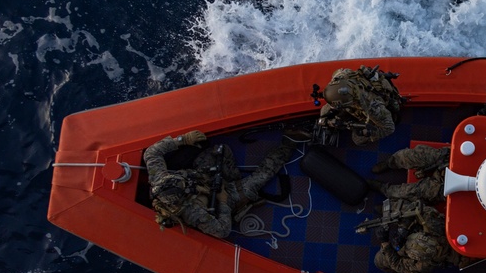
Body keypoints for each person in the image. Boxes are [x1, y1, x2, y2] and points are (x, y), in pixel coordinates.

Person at [144, 129, 294, 238]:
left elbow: (151, 153)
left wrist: (183, 140)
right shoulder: (192, 213)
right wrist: (223, 203)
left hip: (202, 176)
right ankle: (289, 144)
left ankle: (233, 177)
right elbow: (222, 231)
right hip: (222, 197)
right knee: (259, 179)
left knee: (220, 149)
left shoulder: (160, 178)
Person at [369, 197, 470, 273]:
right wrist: (403, 228)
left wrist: (385, 243)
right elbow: (420, 208)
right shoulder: (436, 228)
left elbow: (398, 264)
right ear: (425, 236)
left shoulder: (422, 265)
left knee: (379, 260)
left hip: (442, 254)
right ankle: (386, 209)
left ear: (418, 258)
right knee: (403, 209)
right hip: (442, 237)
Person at [318, 65, 401, 145]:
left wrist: (366, 132)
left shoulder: (372, 107)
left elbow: (389, 128)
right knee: (325, 111)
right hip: (355, 100)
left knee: (357, 139)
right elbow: (339, 73)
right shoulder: (342, 77)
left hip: (370, 109)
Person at [369, 144, 450, 205]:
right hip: (449, 163)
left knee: (412, 192)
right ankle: (391, 162)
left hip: (447, 187)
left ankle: (384, 189)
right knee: (419, 155)